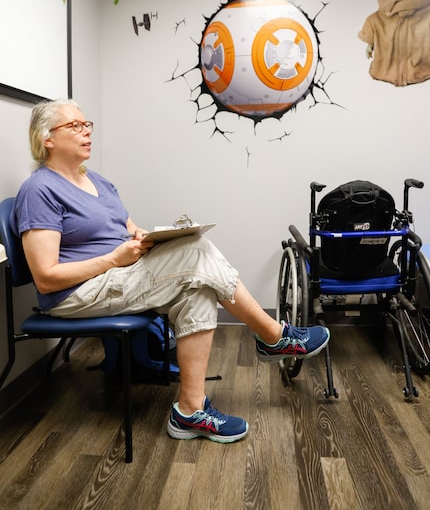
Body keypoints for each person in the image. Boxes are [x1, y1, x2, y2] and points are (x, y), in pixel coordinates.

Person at [11, 98, 330, 444]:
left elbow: (125, 225)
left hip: (118, 275)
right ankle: (274, 337)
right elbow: (45, 276)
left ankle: (189, 413)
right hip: (78, 293)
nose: (86, 131)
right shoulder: (39, 190)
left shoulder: (96, 181)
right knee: (198, 252)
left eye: (88, 125)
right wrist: (114, 260)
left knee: (199, 287)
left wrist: (143, 236)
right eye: (75, 126)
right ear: (47, 140)